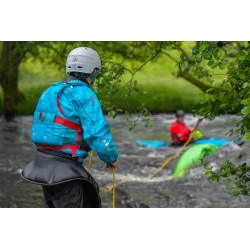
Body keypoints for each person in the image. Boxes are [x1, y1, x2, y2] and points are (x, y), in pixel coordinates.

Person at [21, 47, 118, 208]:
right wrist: (111, 157)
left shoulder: (49, 91)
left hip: (42, 164)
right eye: (96, 72)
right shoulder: (85, 94)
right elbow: (98, 134)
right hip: (64, 170)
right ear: (92, 71)